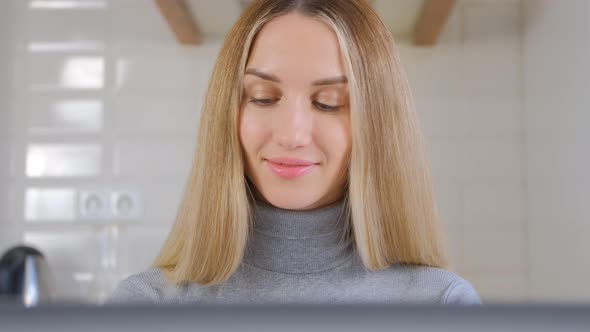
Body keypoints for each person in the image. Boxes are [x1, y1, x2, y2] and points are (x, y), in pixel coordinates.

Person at [108, 0, 481, 305]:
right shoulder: (147, 304)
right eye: (263, 98)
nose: (292, 134)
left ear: (377, 127)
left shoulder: (442, 303)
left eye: (329, 103)